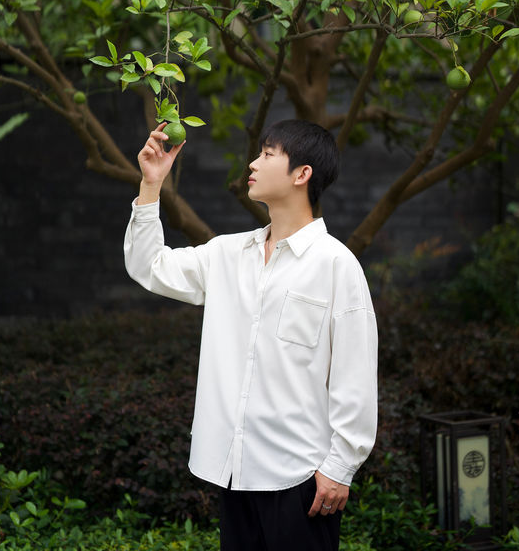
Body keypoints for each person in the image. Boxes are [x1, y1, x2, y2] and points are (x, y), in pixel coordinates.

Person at [124, 118, 378, 551]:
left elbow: (355, 375)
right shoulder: (227, 254)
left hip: (301, 478)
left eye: (267, 154)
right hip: (234, 471)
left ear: (302, 175)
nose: (252, 164)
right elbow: (150, 268)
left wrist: (340, 467)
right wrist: (151, 187)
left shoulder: (336, 265)